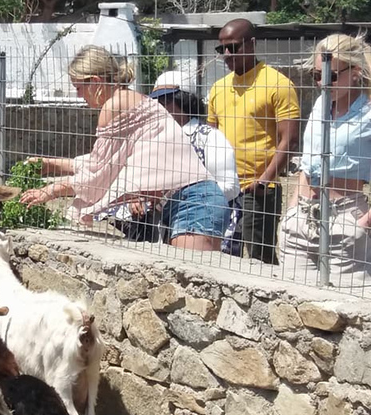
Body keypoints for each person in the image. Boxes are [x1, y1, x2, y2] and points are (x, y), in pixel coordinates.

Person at [20, 45, 229, 252]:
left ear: (95, 82)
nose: (79, 95)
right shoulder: (131, 99)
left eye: (78, 87)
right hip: (195, 200)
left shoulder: (113, 107)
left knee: (188, 275)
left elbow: (97, 174)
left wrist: (49, 191)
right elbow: (103, 163)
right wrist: (51, 165)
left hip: (193, 203)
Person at [280, 33, 371, 287]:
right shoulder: (321, 104)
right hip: (301, 218)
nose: (322, 83)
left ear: (355, 71)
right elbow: (307, 164)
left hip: (346, 219)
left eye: (331, 75)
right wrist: (290, 212)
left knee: (344, 309)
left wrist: (363, 223)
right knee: (291, 306)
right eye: (317, 75)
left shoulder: (368, 112)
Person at [207, 18, 301, 264]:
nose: (227, 55)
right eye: (221, 49)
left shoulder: (278, 84)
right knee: (221, 255)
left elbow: (289, 141)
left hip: (257, 190)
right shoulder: (218, 88)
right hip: (222, 186)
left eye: (233, 47)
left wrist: (264, 180)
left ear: (252, 44)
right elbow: (210, 136)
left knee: (260, 258)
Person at [150, 70, 242, 254]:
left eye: (166, 100)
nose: (160, 107)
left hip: (206, 226)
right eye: (156, 101)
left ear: (183, 100)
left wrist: (183, 196)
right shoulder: (156, 139)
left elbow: (230, 186)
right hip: (169, 225)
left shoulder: (209, 137)